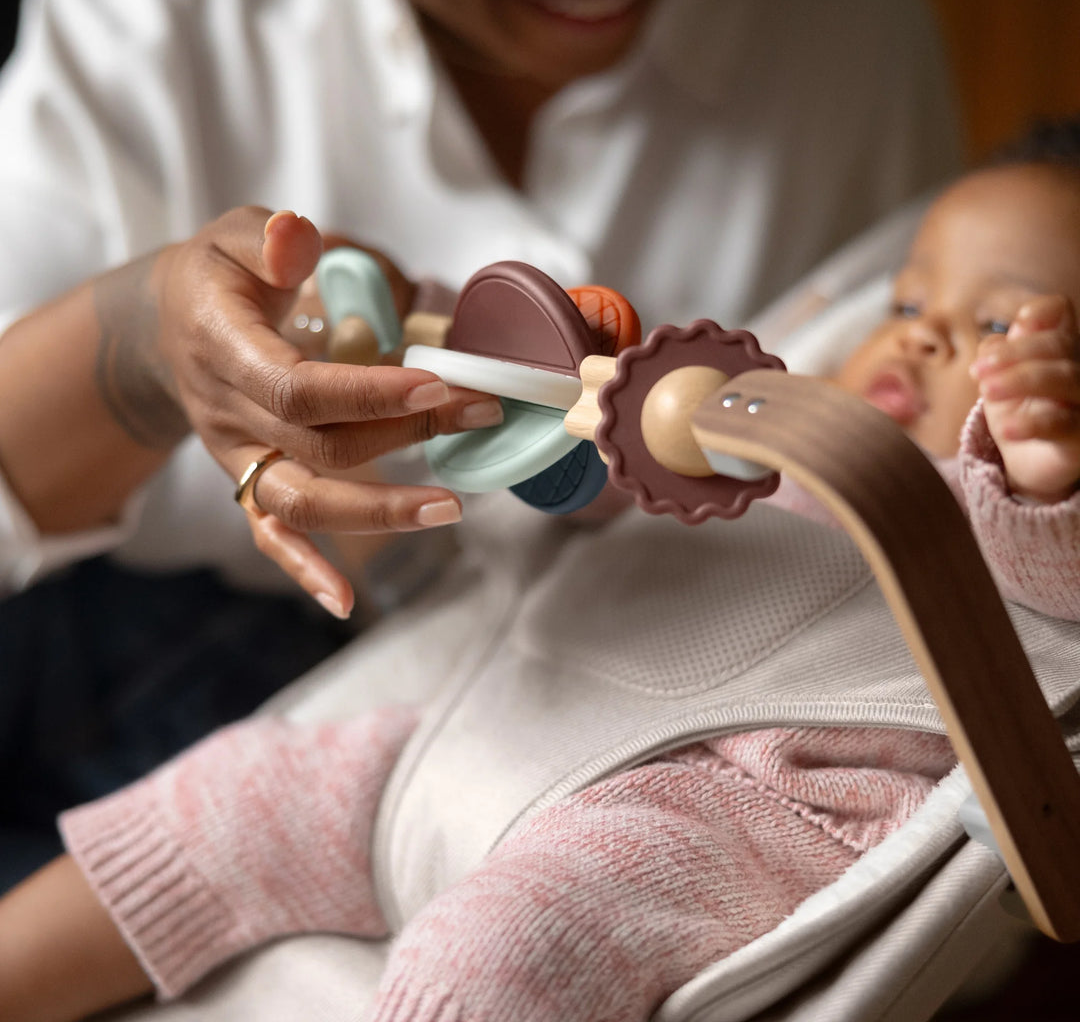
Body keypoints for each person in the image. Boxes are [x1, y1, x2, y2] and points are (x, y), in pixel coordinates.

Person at [2, 121, 1079, 1022]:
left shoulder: (1012, 518)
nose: (925, 336)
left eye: (995, 324)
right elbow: (593, 502)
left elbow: (1052, 585)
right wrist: (580, 411)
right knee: (234, 796)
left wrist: (1039, 468)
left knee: (507, 951)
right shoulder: (770, 434)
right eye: (904, 302)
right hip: (502, 725)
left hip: (728, 806)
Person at [0, 0, 962, 884]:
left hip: (544, 704)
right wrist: (140, 344)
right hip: (84, 642)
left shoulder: (850, 24)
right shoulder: (139, 29)